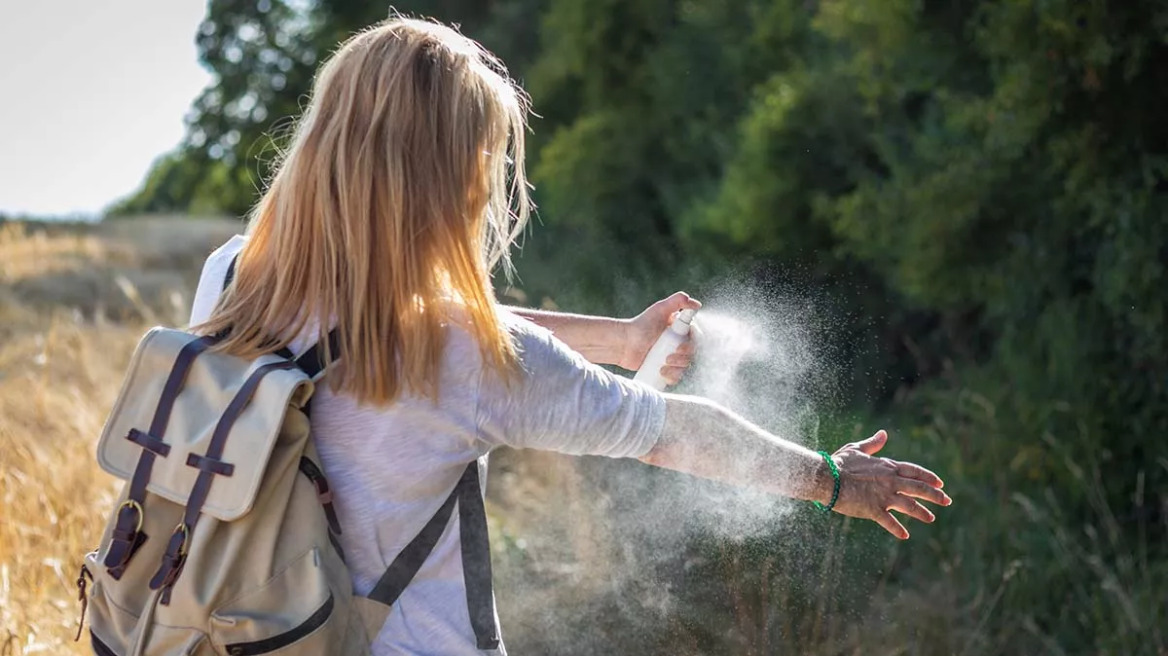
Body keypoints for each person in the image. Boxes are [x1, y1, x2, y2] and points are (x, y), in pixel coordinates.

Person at [189, 16, 951, 656]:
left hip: (242, 632)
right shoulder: (463, 355)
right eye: (483, 154)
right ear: (448, 170)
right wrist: (833, 480)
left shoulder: (235, 275)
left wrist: (620, 341)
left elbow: (409, 320)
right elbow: (671, 431)